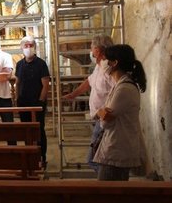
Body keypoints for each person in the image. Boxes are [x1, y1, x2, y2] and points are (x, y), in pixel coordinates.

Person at [93, 44, 147, 181]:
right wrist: (102, 112)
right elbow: (105, 113)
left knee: (108, 193)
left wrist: (100, 112)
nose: (103, 63)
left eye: (106, 59)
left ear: (115, 63)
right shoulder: (120, 85)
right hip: (115, 147)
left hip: (117, 150)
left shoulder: (124, 89)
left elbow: (105, 121)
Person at [63, 34, 114, 172]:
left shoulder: (110, 69)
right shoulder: (99, 66)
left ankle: (106, 184)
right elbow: (89, 81)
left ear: (98, 50)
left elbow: (117, 92)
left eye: (92, 47)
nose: (90, 50)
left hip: (105, 120)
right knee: (97, 158)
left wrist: (106, 114)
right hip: (98, 118)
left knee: (96, 159)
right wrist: (74, 94)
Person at [15, 35, 50, 167]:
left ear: (34, 47)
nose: (28, 48)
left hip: (37, 103)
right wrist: (17, 99)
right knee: (26, 130)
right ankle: (29, 156)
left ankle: (41, 157)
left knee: (39, 130)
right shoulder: (19, 64)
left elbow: (46, 84)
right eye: (26, 46)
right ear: (22, 48)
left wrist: (40, 101)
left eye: (31, 45)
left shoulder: (41, 63)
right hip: (23, 103)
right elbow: (17, 83)